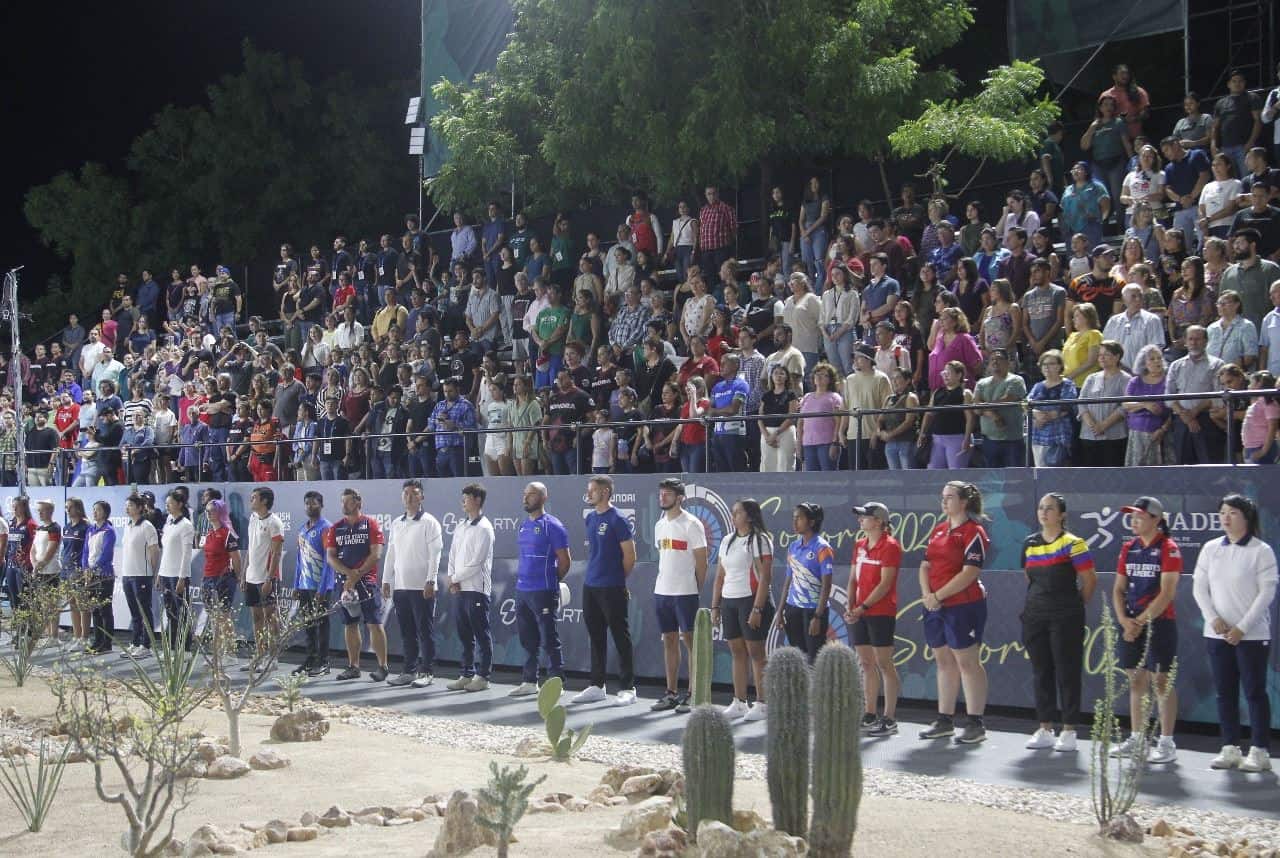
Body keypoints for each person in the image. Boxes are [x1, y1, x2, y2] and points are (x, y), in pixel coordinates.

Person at [1193, 494, 1277, 773]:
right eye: (1223, 513)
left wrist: (1242, 627)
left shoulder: (1261, 550)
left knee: (1254, 692)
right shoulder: (1210, 548)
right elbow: (1199, 588)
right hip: (1216, 634)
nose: (1226, 518)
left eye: (1233, 513)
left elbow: (1267, 592)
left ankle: (1260, 751)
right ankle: (1230, 747)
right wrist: (1213, 619)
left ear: (1247, 517)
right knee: (1224, 692)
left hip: (1251, 635)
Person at [1021, 494, 1098, 753]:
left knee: (1067, 671)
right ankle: (1045, 728)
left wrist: (1071, 608)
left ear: (1062, 515)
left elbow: (1089, 581)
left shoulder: (1074, 544)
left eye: (1050, 508)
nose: (1044, 512)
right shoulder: (1029, 543)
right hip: (1035, 615)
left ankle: (1069, 730)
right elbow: (1029, 579)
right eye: (1041, 507)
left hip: (1066, 616)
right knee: (1041, 671)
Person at [1110, 496, 1182, 765]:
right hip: (1129, 624)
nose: (1134, 520)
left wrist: (1138, 622)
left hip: (1159, 623)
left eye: (1140, 516)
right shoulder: (1129, 547)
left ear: (1156, 519)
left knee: (1161, 681)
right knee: (1136, 680)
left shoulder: (1169, 548)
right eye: (1132, 515)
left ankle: (1166, 742)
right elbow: (1118, 589)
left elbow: (1167, 593)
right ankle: (1137, 739)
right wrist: (1124, 620)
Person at [918, 481, 990, 744]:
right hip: (935, 606)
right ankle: (944, 719)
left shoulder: (974, 532)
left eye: (950, 497)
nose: (944, 502)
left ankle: (975, 722)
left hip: (963, 604)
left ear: (964, 502)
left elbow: (970, 572)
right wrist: (928, 596)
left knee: (967, 662)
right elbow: (925, 565)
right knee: (943, 661)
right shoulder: (938, 530)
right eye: (943, 497)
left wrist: (938, 595)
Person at [573, 475, 637, 706]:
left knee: (621, 637)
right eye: (588, 490)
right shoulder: (590, 518)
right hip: (591, 586)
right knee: (596, 637)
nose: (588, 494)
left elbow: (630, 556)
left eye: (593, 490)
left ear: (606, 492)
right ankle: (597, 685)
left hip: (612, 586)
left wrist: (618, 581)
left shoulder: (618, 519)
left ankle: (628, 687)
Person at [711, 499, 774, 722]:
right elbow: (719, 576)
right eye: (732, 512)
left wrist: (757, 608)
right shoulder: (727, 541)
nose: (733, 516)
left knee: (756, 654)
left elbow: (765, 577)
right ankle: (739, 702)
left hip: (751, 601)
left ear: (749, 516)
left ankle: (763, 703)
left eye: (737, 512)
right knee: (737, 652)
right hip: (729, 600)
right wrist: (715, 606)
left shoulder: (760, 540)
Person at [650, 478, 709, 714]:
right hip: (661, 591)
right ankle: (671, 693)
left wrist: (695, 588)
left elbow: (702, 563)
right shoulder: (659, 524)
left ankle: (695, 693)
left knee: (691, 644)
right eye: (661, 493)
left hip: (685, 592)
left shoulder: (692, 524)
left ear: (680, 498)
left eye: (667, 494)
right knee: (670, 641)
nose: (662, 497)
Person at [509, 482, 571, 697]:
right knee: (528, 639)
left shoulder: (552, 525)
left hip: (544, 590)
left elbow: (565, 561)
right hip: (522, 591)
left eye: (532, 494)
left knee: (549, 638)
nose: (526, 498)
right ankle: (529, 681)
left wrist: (551, 583)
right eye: (525, 494)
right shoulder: (524, 525)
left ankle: (556, 683)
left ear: (544, 498)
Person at [846, 502, 903, 736]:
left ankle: (889, 718)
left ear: (879, 521)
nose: (860, 520)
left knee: (884, 664)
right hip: (860, 611)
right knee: (866, 663)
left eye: (865, 516)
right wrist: (851, 606)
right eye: (860, 516)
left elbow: (885, 583)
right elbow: (853, 579)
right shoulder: (859, 544)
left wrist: (862, 607)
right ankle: (869, 713)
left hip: (881, 612)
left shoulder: (891, 546)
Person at [381, 479, 443, 689]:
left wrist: (431, 580)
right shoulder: (397, 523)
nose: (409, 497)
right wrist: (386, 579)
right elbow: (391, 553)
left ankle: (427, 671)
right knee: (407, 632)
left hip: (422, 587)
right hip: (401, 587)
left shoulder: (430, 522)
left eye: (414, 493)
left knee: (424, 631)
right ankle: (409, 670)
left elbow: (436, 554)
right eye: (405, 493)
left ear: (421, 497)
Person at [324, 487, 389, 682]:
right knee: (350, 624)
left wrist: (356, 575)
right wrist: (348, 575)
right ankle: (353, 666)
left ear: (358, 503)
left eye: (348, 501)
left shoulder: (370, 524)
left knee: (374, 623)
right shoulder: (336, 527)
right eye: (342, 501)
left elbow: (376, 554)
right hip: (344, 584)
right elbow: (330, 557)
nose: (344, 505)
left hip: (366, 582)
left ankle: (383, 666)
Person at [444, 484, 496, 692]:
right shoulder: (460, 526)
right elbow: (453, 554)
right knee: (464, 634)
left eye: (466, 498)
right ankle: (466, 673)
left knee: (481, 633)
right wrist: (451, 577)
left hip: (477, 588)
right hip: (460, 588)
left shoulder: (485, 528)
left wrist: (455, 578)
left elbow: (477, 562)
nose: (462, 502)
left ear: (477, 500)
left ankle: (483, 676)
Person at [775, 503, 834, 663]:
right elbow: (788, 581)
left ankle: (815, 689)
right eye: (793, 518)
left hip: (813, 611)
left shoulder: (822, 548)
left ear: (812, 522)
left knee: (814, 660)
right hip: (793, 609)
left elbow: (826, 585)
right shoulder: (793, 546)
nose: (794, 522)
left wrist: (817, 616)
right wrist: (780, 611)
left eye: (799, 518)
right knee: (798, 659)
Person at [293, 491, 335, 677]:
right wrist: (296, 584)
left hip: (320, 586)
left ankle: (324, 662)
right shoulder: (302, 529)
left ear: (321, 505)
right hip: (304, 585)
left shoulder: (326, 528)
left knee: (321, 624)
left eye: (314, 503)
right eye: (307, 503)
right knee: (308, 624)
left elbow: (329, 560)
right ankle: (310, 660)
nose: (310, 506)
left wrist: (323, 588)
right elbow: (299, 560)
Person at [243, 486, 284, 669]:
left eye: (254, 498)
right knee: (257, 618)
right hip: (252, 576)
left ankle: (273, 657)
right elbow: (250, 549)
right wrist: (244, 574)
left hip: (267, 577)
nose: (251, 500)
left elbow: (276, 554)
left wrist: (269, 579)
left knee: (271, 617)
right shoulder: (252, 518)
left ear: (264, 501)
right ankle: (260, 655)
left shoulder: (275, 523)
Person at [118, 493, 159, 660]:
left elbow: (154, 551)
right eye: (126, 505)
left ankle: (146, 645)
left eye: (131, 506)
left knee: (144, 611)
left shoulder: (147, 526)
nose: (127, 508)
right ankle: (135, 643)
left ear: (140, 508)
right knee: (134, 612)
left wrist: (152, 572)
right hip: (127, 574)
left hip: (142, 575)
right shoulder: (128, 526)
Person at [1078, 341, 1132, 467]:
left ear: (1117, 357)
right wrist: (1093, 426)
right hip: (1089, 435)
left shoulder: (1126, 379)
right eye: (1099, 354)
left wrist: (1103, 425)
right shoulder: (1091, 378)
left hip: (1114, 436)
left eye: (1106, 354)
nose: (1101, 358)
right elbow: (1081, 402)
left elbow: (1125, 406)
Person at [972, 349, 1027, 467]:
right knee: (993, 479)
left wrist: (984, 405)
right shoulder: (981, 383)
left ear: (1008, 363)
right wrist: (994, 415)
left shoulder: (1016, 380)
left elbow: (1008, 399)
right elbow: (976, 408)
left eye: (999, 359)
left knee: (1015, 477)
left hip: (1012, 440)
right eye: (992, 359)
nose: (995, 362)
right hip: (989, 441)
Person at [156, 491, 195, 652]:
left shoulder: (186, 525)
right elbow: (165, 551)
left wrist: (182, 577)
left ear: (179, 504)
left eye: (170, 503)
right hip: (165, 573)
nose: (167, 505)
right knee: (170, 612)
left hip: (178, 575)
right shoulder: (168, 522)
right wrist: (159, 573)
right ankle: (173, 646)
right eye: (166, 503)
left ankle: (184, 648)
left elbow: (187, 553)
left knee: (181, 613)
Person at [81, 500, 116, 655]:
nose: (95, 512)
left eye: (98, 510)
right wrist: (86, 569)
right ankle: (97, 640)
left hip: (104, 575)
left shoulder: (109, 531)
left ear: (105, 512)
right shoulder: (90, 530)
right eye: (93, 509)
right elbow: (85, 552)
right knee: (94, 609)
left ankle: (106, 643)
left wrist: (94, 569)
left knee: (104, 609)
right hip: (91, 575)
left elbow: (106, 555)